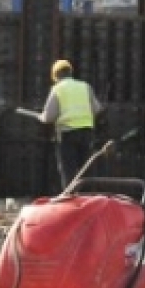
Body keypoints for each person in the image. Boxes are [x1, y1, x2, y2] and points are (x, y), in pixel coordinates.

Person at [41, 59, 104, 190]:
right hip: (87, 133)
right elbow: (97, 109)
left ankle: (71, 200)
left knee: (68, 171)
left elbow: (48, 117)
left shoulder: (57, 89)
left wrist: (42, 117)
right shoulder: (85, 87)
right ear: (70, 72)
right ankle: (87, 198)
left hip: (67, 134)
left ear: (56, 76)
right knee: (86, 169)